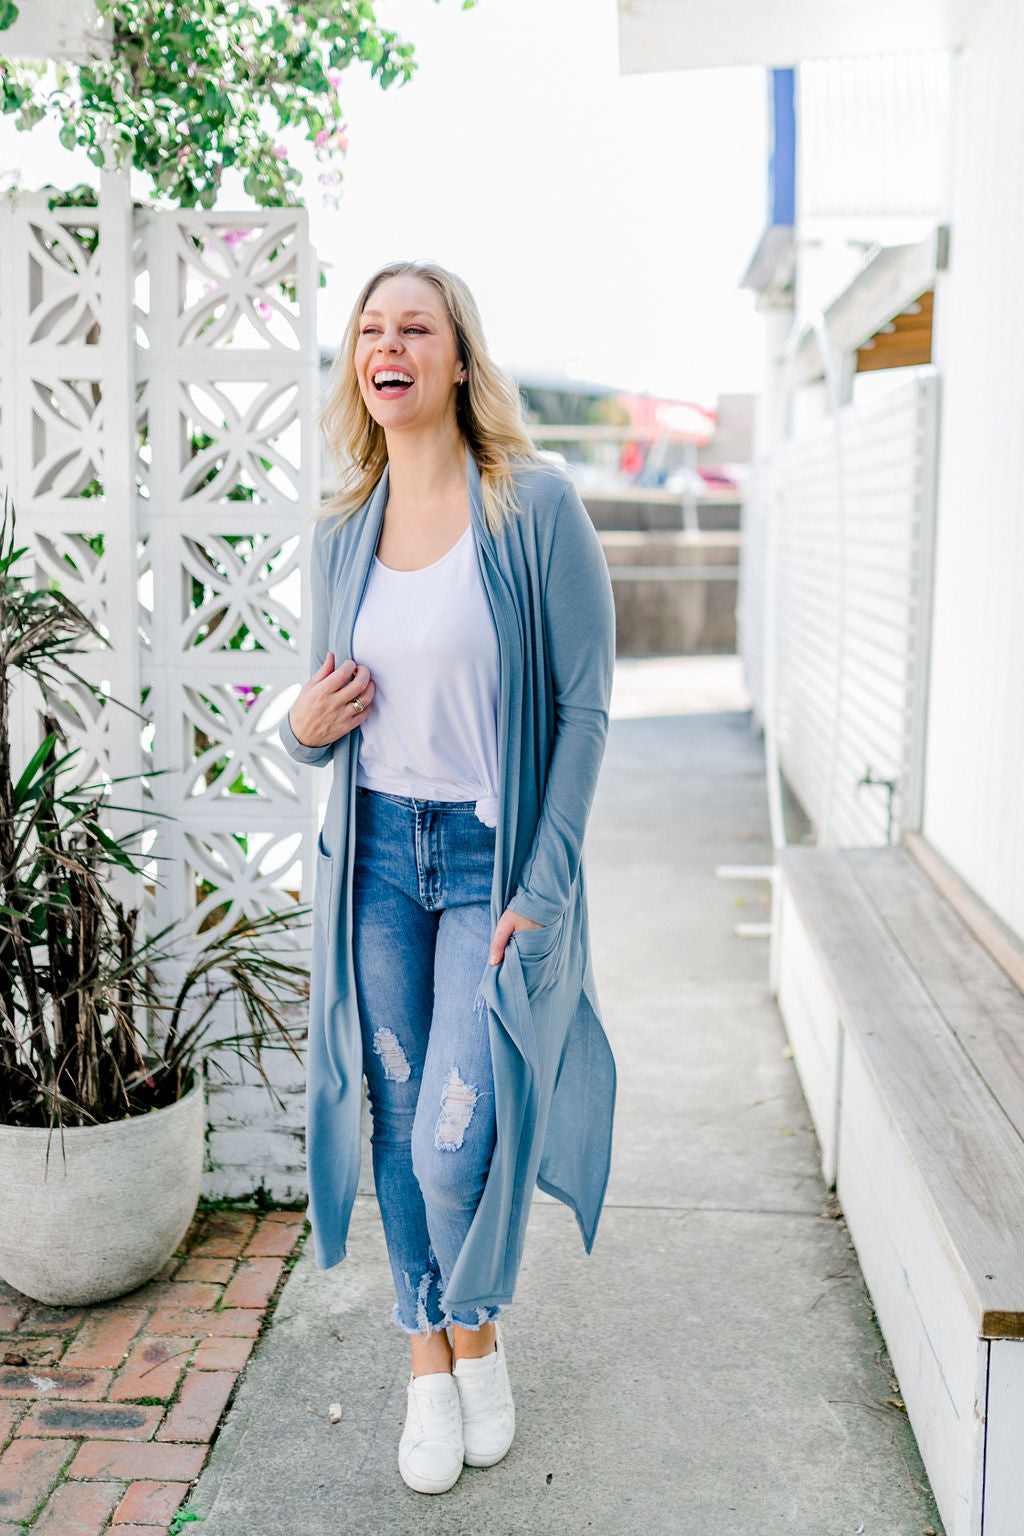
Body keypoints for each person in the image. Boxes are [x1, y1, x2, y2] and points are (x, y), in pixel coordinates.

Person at [279, 260, 616, 1495]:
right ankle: (436, 1360)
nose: (390, 344)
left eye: (415, 326)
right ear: (357, 367)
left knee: (447, 1140)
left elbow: (584, 710)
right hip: (373, 858)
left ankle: (471, 1320)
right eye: (371, 328)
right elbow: (310, 724)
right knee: (391, 1111)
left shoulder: (531, 506)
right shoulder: (339, 531)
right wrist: (304, 726)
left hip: (487, 860)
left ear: (458, 358)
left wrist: (547, 886)